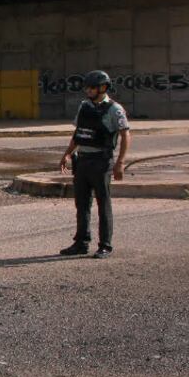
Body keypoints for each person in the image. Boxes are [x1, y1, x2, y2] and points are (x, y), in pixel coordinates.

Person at [58, 70, 131, 259]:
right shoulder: (84, 106)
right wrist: (67, 154)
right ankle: (81, 243)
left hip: (101, 161)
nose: (88, 90)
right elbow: (79, 133)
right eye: (87, 87)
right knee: (82, 204)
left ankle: (105, 245)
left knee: (103, 203)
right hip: (82, 161)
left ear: (103, 87)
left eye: (92, 87)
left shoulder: (115, 109)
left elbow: (125, 135)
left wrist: (120, 163)